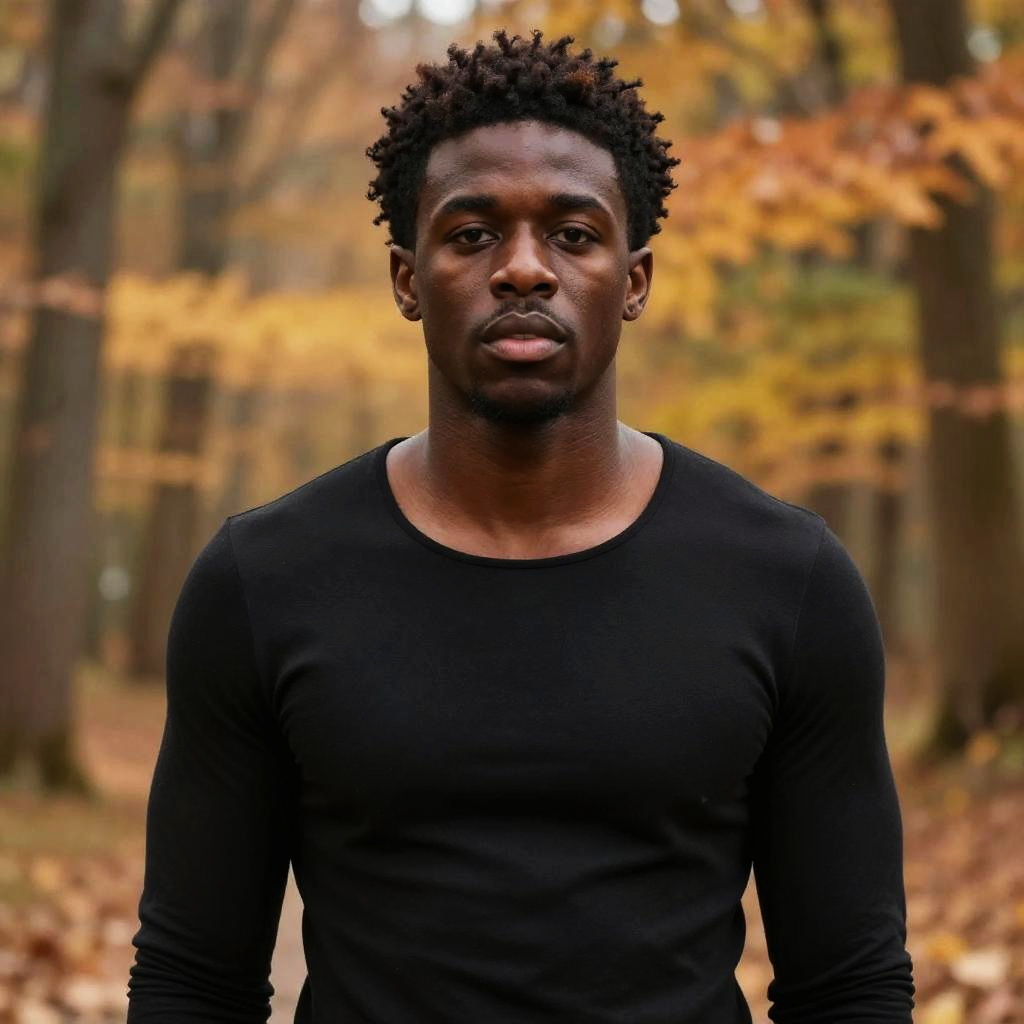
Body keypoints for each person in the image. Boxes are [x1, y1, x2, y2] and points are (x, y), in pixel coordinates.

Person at [127, 30, 914, 1023]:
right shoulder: (263, 579)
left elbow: (848, 986)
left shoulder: (787, 580)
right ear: (407, 280)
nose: (524, 270)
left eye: (574, 234)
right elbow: (192, 981)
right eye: (471, 234)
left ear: (634, 280)